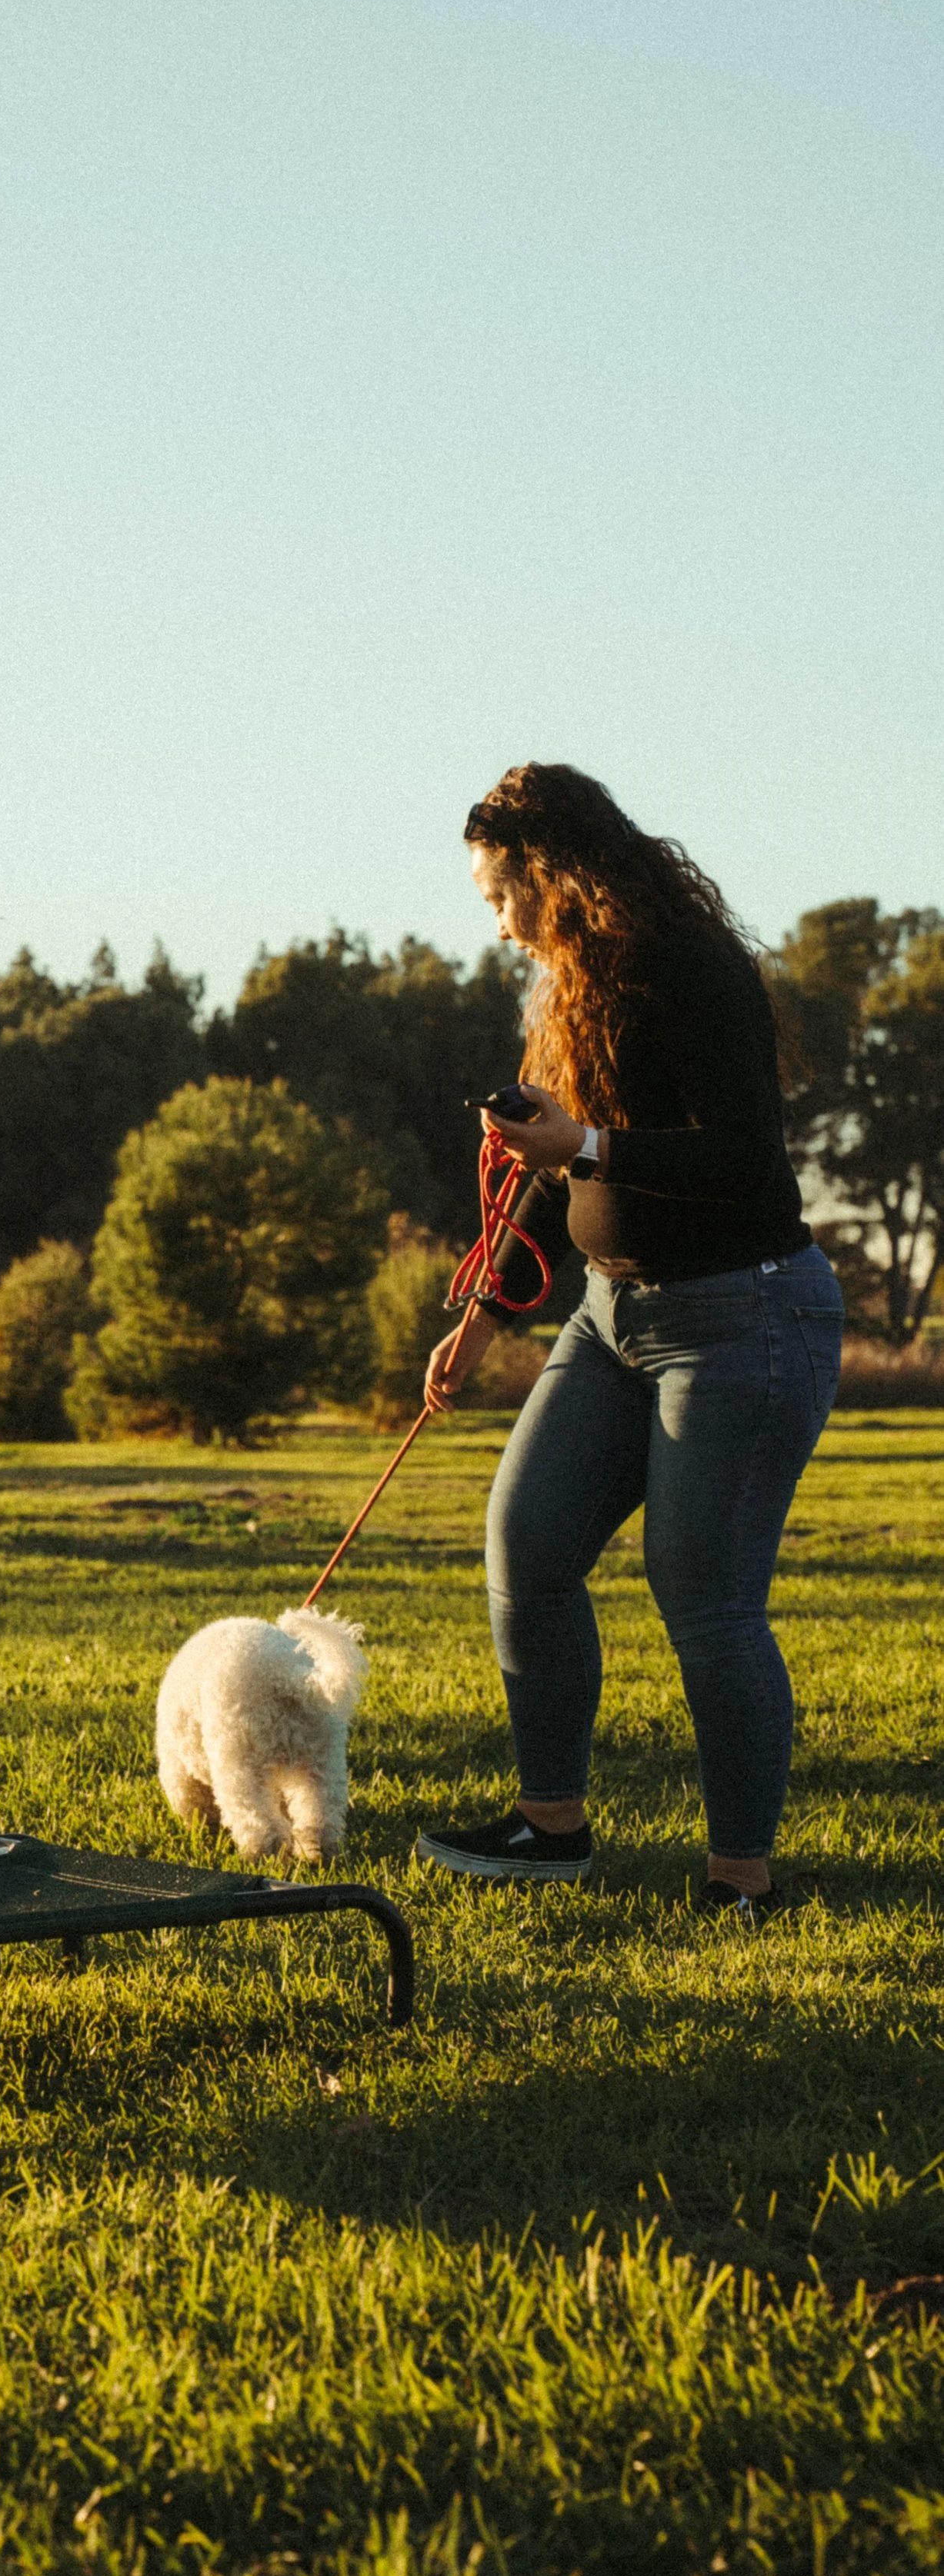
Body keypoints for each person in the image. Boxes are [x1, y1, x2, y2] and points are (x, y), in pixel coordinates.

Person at [415, 762, 842, 1919]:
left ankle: (742, 1880)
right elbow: (556, 1184)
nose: (498, 925)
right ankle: (550, 1826)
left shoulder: (691, 970)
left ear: (553, 876)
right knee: (527, 1542)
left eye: (501, 895)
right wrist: (488, 1316)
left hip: (744, 1313)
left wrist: (589, 1145)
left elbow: (746, 1158)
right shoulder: (571, 990)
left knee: (703, 1596)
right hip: (611, 1315)